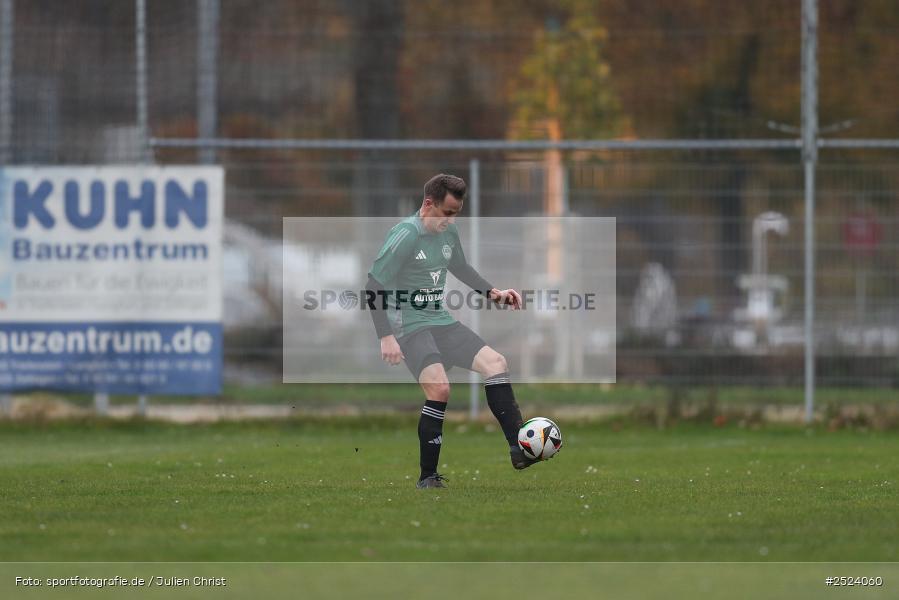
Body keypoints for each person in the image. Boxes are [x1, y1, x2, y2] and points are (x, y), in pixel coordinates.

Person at [365, 173, 536, 489]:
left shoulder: (448, 233)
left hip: (441, 322)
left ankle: (520, 448)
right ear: (428, 204)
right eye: (446, 213)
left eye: (456, 213)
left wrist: (493, 292)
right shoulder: (405, 235)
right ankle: (427, 476)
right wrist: (385, 335)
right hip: (410, 327)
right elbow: (374, 285)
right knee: (440, 390)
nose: (451, 220)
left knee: (496, 364)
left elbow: (460, 267)